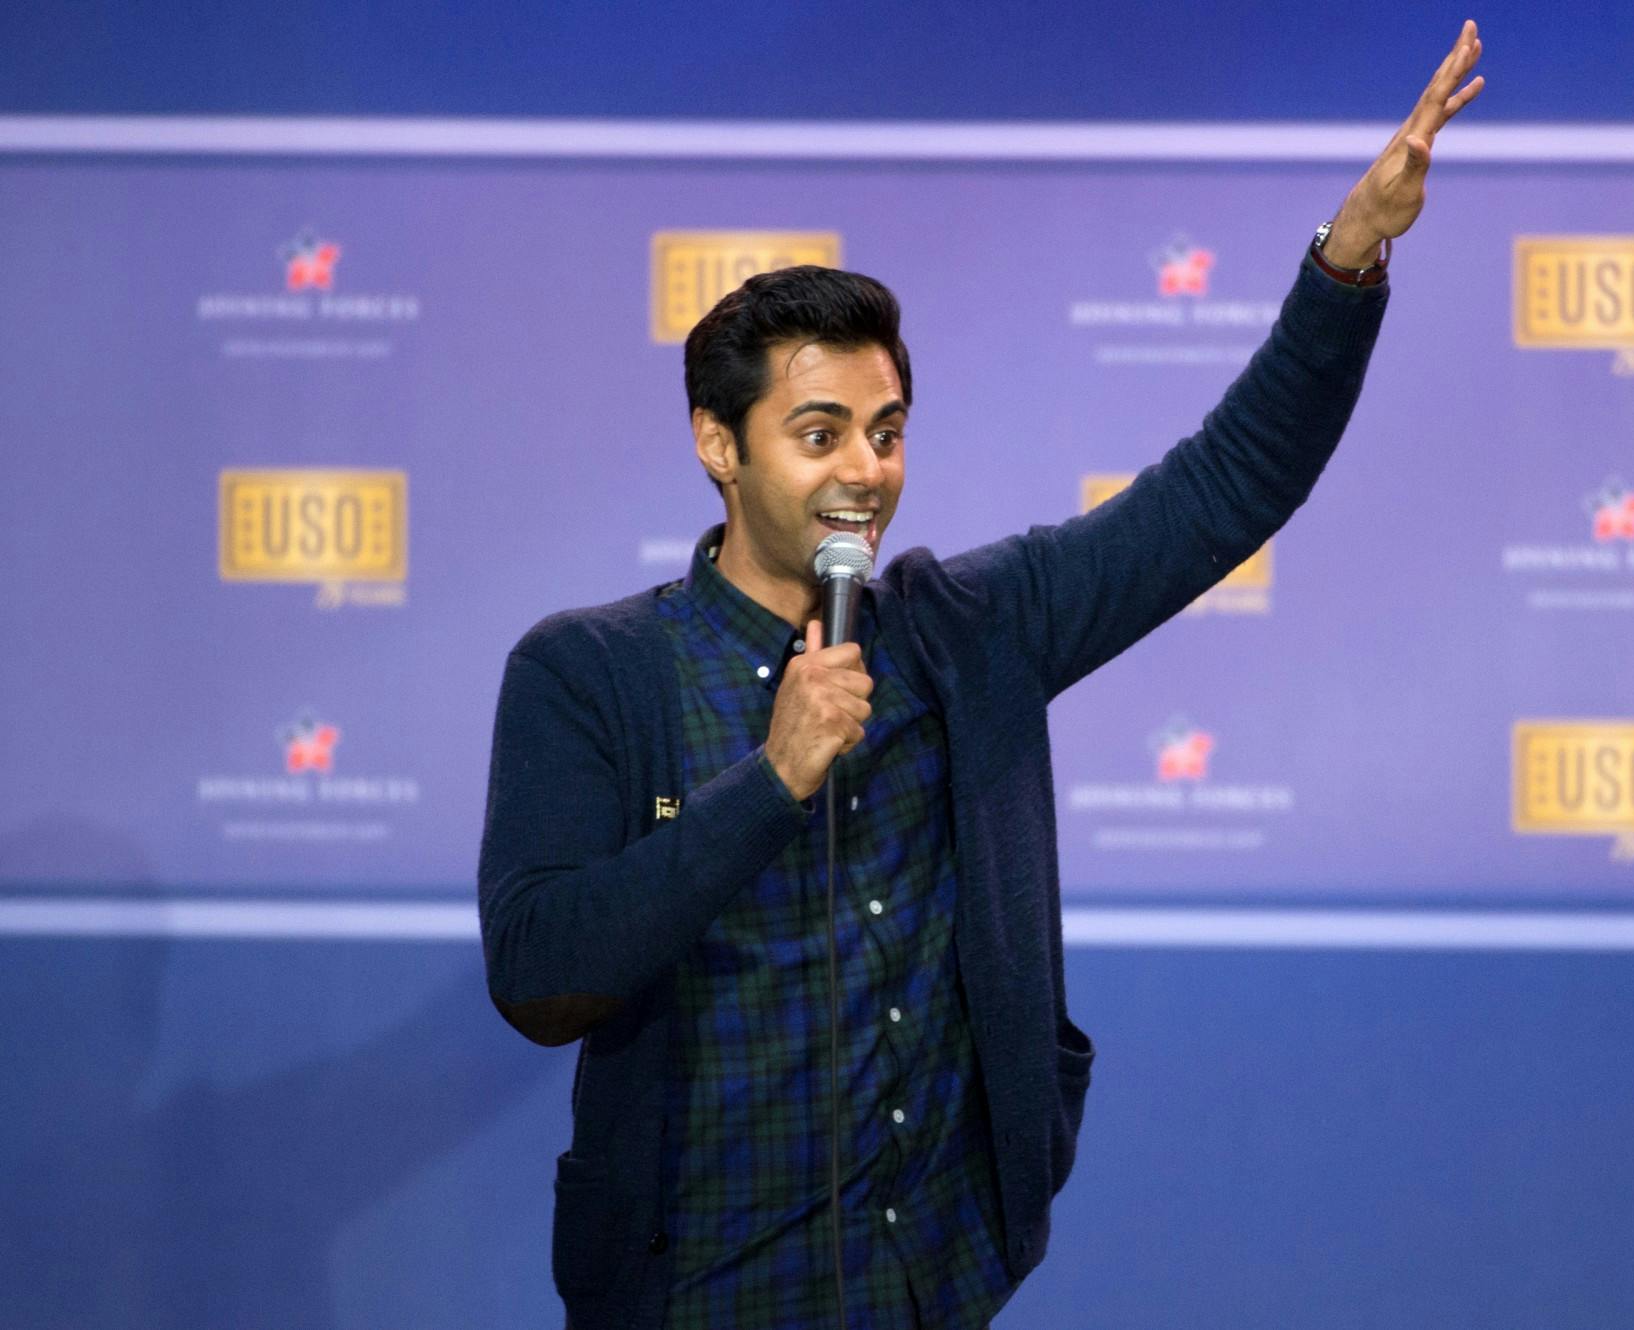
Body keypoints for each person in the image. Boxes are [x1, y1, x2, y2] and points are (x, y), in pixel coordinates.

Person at [477, 22, 1484, 1329]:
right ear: (717, 445)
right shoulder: (590, 672)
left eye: (887, 433)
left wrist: (1348, 260)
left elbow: (1222, 489)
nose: (865, 471)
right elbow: (543, 975)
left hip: (933, 1292)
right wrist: (770, 778)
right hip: (694, 1299)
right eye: (819, 433)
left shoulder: (967, 629)